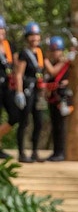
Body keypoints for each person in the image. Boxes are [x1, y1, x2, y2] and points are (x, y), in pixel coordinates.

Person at [14, 22, 47, 163]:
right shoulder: (24, 53)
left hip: (38, 90)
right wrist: (19, 92)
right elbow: (19, 74)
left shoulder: (40, 52)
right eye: (31, 35)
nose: (34, 38)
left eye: (36, 35)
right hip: (28, 89)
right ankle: (22, 153)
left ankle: (34, 152)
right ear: (27, 37)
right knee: (24, 121)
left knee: (39, 121)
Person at [43, 35, 75, 161]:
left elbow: (53, 72)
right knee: (55, 125)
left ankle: (61, 152)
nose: (55, 53)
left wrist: (44, 58)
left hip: (62, 98)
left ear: (61, 50)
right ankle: (56, 151)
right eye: (52, 50)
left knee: (60, 126)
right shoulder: (54, 62)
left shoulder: (64, 61)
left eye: (57, 50)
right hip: (54, 97)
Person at [0, 15, 20, 158]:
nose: (1, 32)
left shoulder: (9, 46)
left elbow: (16, 65)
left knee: (15, 115)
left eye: (2, 29)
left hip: (8, 87)